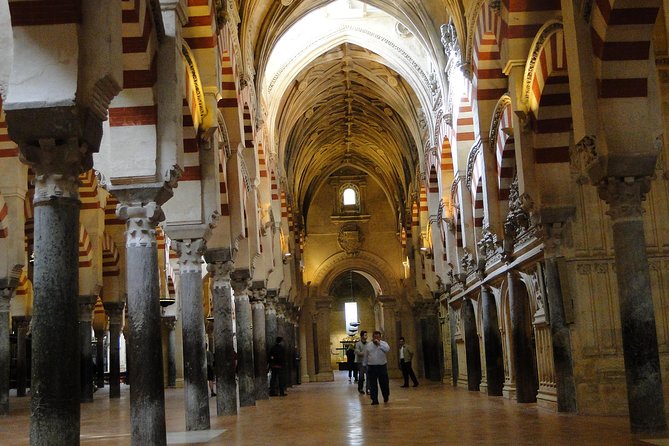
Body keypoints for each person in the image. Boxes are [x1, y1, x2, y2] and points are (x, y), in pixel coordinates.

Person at [363, 330, 390, 405]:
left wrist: (379, 344)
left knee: (384, 383)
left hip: (382, 366)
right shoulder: (369, 345)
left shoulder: (384, 344)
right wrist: (364, 365)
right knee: (373, 384)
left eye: (378, 337)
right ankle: (374, 399)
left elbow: (387, 350)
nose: (376, 339)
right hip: (372, 366)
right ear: (372, 337)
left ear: (380, 337)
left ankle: (385, 396)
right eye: (375, 337)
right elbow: (366, 355)